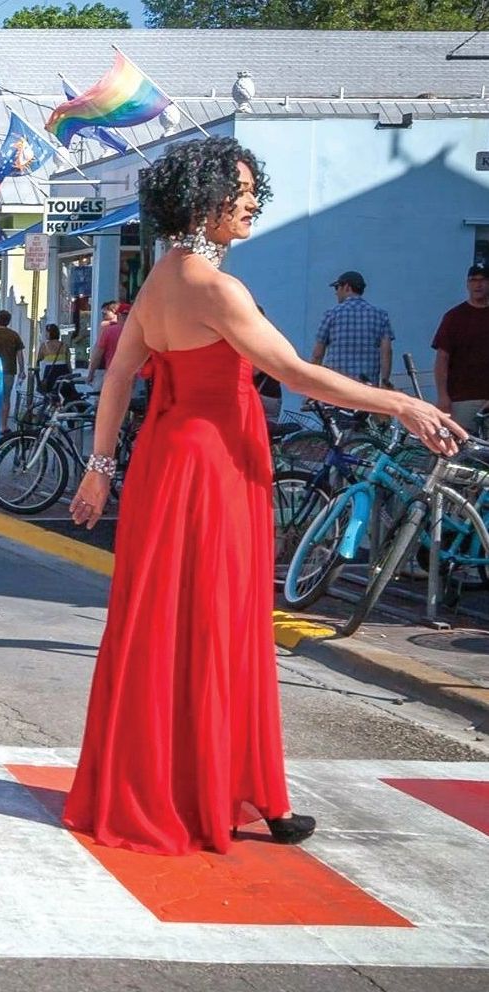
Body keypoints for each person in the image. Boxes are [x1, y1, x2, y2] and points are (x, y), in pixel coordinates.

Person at [68, 136, 463, 857]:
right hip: (212, 469)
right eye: (240, 188)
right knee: (220, 625)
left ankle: (231, 787)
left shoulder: (159, 278)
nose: (252, 200)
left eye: (254, 187)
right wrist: (398, 405)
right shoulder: (215, 288)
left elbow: (121, 373)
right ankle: (224, 792)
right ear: (203, 197)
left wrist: (100, 466)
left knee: (172, 624)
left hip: (171, 463)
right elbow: (295, 374)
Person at [311, 270, 393, 386]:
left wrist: (313, 385)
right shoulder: (380, 315)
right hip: (367, 388)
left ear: (347, 287)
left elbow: (317, 355)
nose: (336, 293)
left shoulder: (331, 314)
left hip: (336, 388)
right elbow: (387, 352)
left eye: (337, 287)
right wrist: (384, 382)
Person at [435, 263, 489, 430]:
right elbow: (442, 359)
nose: (477, 285)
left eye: (483, 280)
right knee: (460, 451)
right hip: (462, 399)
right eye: (473, 280)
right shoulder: (454, 317)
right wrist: (443, 396)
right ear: (467, 284)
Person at [90, 300, 124, 385]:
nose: (103, 316)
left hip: (106, 365)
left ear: (115, 313)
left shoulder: (106, 326)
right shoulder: (127, 328)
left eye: (105, 313)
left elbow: (99, 348)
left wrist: (91, 370)